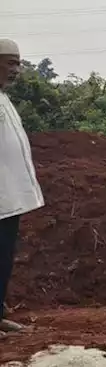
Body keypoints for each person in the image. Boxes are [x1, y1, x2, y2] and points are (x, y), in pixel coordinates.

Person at [0, 38, 43, 338]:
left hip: (10, 197)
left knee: (4, 256)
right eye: (10, 62)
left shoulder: (4, 98)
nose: (16, 69)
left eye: (19, 63)